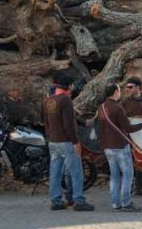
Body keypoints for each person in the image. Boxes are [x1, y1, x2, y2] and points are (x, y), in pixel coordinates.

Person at [42, 71, 94, 212]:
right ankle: (78, 200)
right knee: (76, 172)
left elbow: (45, 122)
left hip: (53, 141)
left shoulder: (48, 100)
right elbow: (69, 124)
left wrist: (50, 137)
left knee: (55, 172)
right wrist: (76, 142)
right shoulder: (65, 100)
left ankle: (56, 200)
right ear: (69, 86)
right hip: (66, 141)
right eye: (72, 85)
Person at [98, 83, 142, 212]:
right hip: (119, 146)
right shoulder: (118, 108)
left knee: (114, 176)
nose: (121, 92)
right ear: (115, 92)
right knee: (128, 174)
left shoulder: (101, 108)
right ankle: (126, 202)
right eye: (119, 90)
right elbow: (128, 128)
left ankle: (116, 203)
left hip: (107, 146)